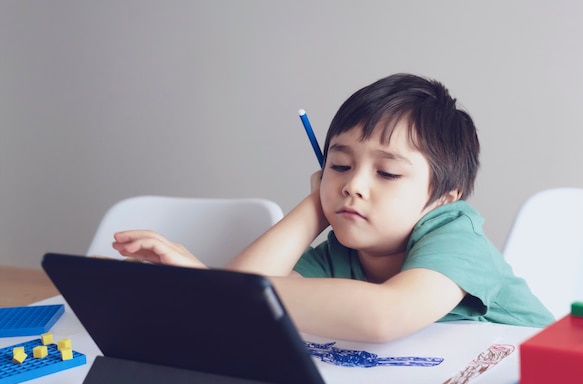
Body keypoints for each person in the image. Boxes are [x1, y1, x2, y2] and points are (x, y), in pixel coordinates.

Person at [112, 73, 554, 343]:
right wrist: (315, 207)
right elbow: (234, 317)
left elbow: (384, 315)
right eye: (340, 165)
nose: (353, 185)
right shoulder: (337, 254)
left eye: (387, 173)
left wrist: (212, 285)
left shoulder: (457, 235)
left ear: (444, 196)